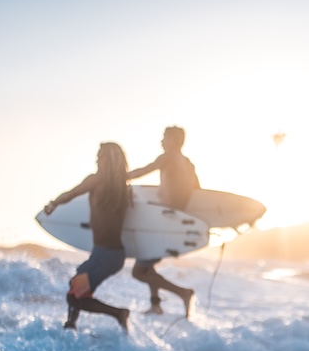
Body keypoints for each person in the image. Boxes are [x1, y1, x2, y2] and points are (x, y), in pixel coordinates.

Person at [43, 143, 132, 333]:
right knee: (76, 283)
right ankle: (70, 325)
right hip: (108, 254)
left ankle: (118, 314)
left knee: (75, 297)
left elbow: (72, 193)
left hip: (107, 256)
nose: (96, 159)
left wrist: (53, 204)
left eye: (100, 156)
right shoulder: (122, 186)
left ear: (107, 159)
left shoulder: (97, 180)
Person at [125, 126, 198, 316]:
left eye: (164, 137)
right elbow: (199, 194)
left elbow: (143, 171)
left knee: (139, 272)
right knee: (146, 266)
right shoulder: (188, 163)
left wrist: (118, 177)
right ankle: (156, 305)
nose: (161, 141)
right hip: (174, 222)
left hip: (163, 222)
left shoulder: (167, 157)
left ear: (173, 140)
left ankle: (183, 293)